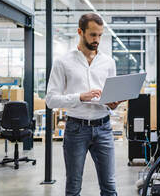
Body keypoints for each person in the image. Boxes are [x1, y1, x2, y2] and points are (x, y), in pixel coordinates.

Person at [46, 13, 121, 196]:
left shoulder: (108, 62)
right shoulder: (63, 62)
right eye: (93, 35)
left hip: (103, 127)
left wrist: (113, 103)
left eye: (100, 35)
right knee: (73, 186)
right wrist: (80, 97)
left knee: (110, 186)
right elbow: (50, 100)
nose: (97, 40)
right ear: (80, 32)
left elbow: (112, 98)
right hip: (75, 129)